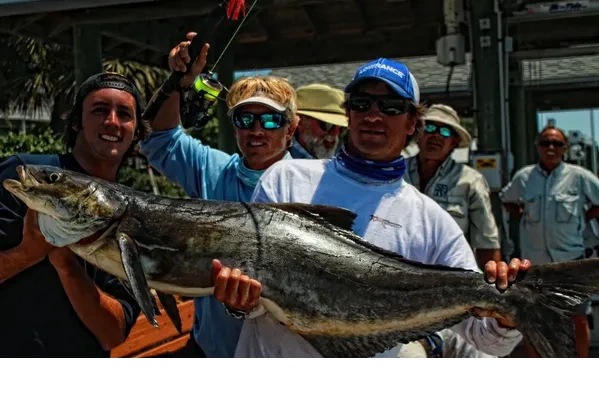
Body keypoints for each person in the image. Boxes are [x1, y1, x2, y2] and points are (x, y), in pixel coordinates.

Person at [208, 57, 530, 359]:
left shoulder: (432, 222)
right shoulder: (284, 179)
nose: (373, 115)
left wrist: (510, 313)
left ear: (412, 123)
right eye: (362, 104)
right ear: (349, 114)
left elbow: (484, 337)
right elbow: (256, 288)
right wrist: (240, 300)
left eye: (390, 107)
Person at [139, 32, 298, 359]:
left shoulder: (317, 184)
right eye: (245, 118)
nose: (256, 129)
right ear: (235, 126)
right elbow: (158, 139)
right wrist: (179, 82)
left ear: (290, 129)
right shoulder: (213, 169)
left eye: (270, 119)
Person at [0, 72, 145, 359]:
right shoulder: (25, 175)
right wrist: (29, 251)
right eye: (99, 110)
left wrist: (65, 263)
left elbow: (111, 334)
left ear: (137, 131)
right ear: (77, 121)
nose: (112, 121)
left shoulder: (137, 214)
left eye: (124, 114)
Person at [499, 125, 599, 358]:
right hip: (533, 264)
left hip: (571, 262)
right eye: (545, 143)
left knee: (577, 317)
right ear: (537, 147)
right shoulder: (524, 177)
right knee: (534, 320)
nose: (551, 148)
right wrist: (521, 214)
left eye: (556, 143)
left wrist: (583, 218)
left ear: (565, 148)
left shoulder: (580, 177)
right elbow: (507, 199)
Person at [403, 104, 502, 268]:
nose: (436, 135)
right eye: (430, 128)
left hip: (450, 278)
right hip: (398, 274)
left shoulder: (470, 181)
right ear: (418, 134)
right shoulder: (395, 172)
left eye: (445, 132)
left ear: (454, 142)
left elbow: (487, 243)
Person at [289, 83, 347, 159]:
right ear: (300, 121)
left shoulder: (340, 161)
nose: (335, 134)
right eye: (328, 125)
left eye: (341, 128)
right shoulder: (280, 161)